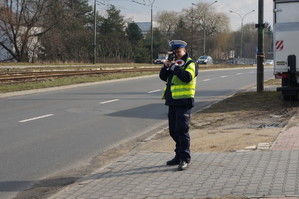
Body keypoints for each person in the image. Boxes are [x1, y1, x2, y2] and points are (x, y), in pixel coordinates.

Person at [159, 40, 197, 171]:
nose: (176, 54)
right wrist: (166, 66)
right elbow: (163, 77)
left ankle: (184, 158)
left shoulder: (190, 63)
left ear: (184, 51)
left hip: (184, 101)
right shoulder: (174, 63)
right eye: (174, 52)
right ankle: (178, 155)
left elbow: (187, 77)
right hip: (172, 100)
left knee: (182, 130)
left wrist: (175, 67)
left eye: (178, 52)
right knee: (173, 131)